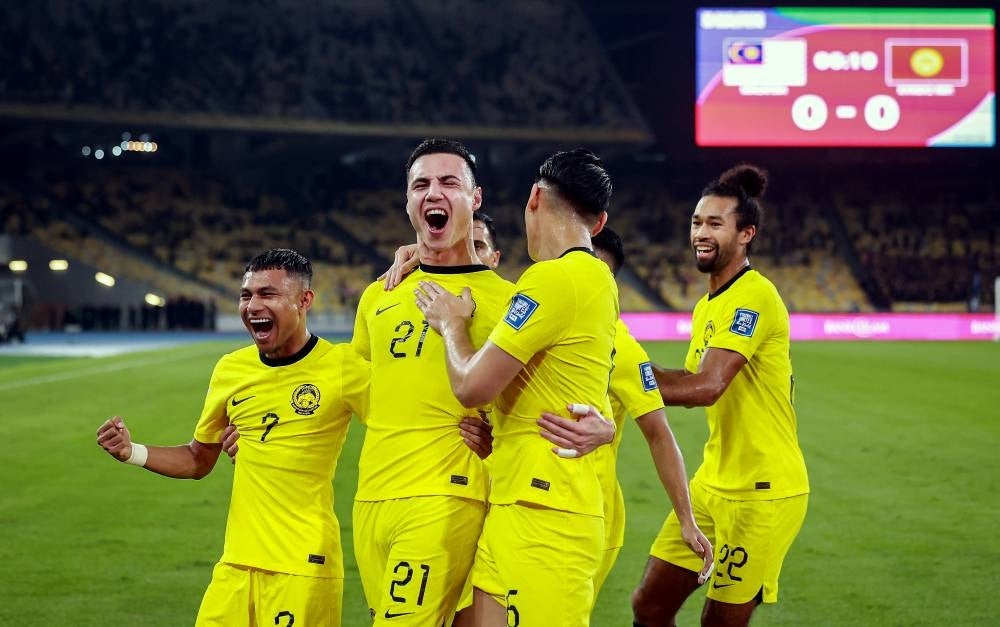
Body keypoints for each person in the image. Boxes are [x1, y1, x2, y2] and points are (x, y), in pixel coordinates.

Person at [95, 248, 369, 626]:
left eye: (268, 294)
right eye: (246, 295)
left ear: (305, 300)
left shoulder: (342, 367)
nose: (253, 305)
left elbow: (402, 425)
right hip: (236, 563)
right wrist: (132, 452)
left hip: (303, 564)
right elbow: (198, 459)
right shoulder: (231, 369)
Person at [414, 148, 624, 626]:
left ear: (534, 198)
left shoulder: (552, 279)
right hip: (522, 498)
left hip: (547, 513)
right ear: (598, 221)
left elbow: (471, 387)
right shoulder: (596, 279)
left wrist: (451, 326)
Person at [630, 165, 809, 627]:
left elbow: (705, 388)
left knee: (719, 623)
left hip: (761, 492)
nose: (700, 232)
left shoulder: (754, 297)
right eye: (696, 222)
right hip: (712, 485)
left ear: (746, 233)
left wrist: (625, 373)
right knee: (649, 605)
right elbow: (687, 377)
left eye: (715, 223)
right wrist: (635, 372)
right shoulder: (708, 304)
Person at [350, 139, 516, 626]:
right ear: (407, 203)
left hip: (448, 495)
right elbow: (356, 388)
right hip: (371, 498)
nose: (432, 193)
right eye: (420, 185)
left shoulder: (510, 303)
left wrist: (498, 440)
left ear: (475, 198)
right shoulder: (377, 298)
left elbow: (534, 403)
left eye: (449, 182)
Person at [551, 226, 712, 600]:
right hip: (528, 500)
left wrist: (687, 522)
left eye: (595, 269)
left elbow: (659, 433)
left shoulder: (621, 349)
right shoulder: (538, 323)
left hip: (588, 510)